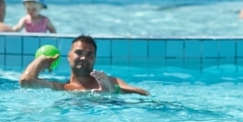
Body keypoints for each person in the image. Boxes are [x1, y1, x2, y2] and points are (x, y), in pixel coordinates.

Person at [20, 35, 150, 95]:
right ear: (69, 56)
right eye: (79, 53)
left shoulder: (110, 81)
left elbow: (144, 94)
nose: (84, 58)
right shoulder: (61, 88)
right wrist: (42, 60)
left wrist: (113, 90)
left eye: (89, 54)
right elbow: (26, 82)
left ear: (94, 59)